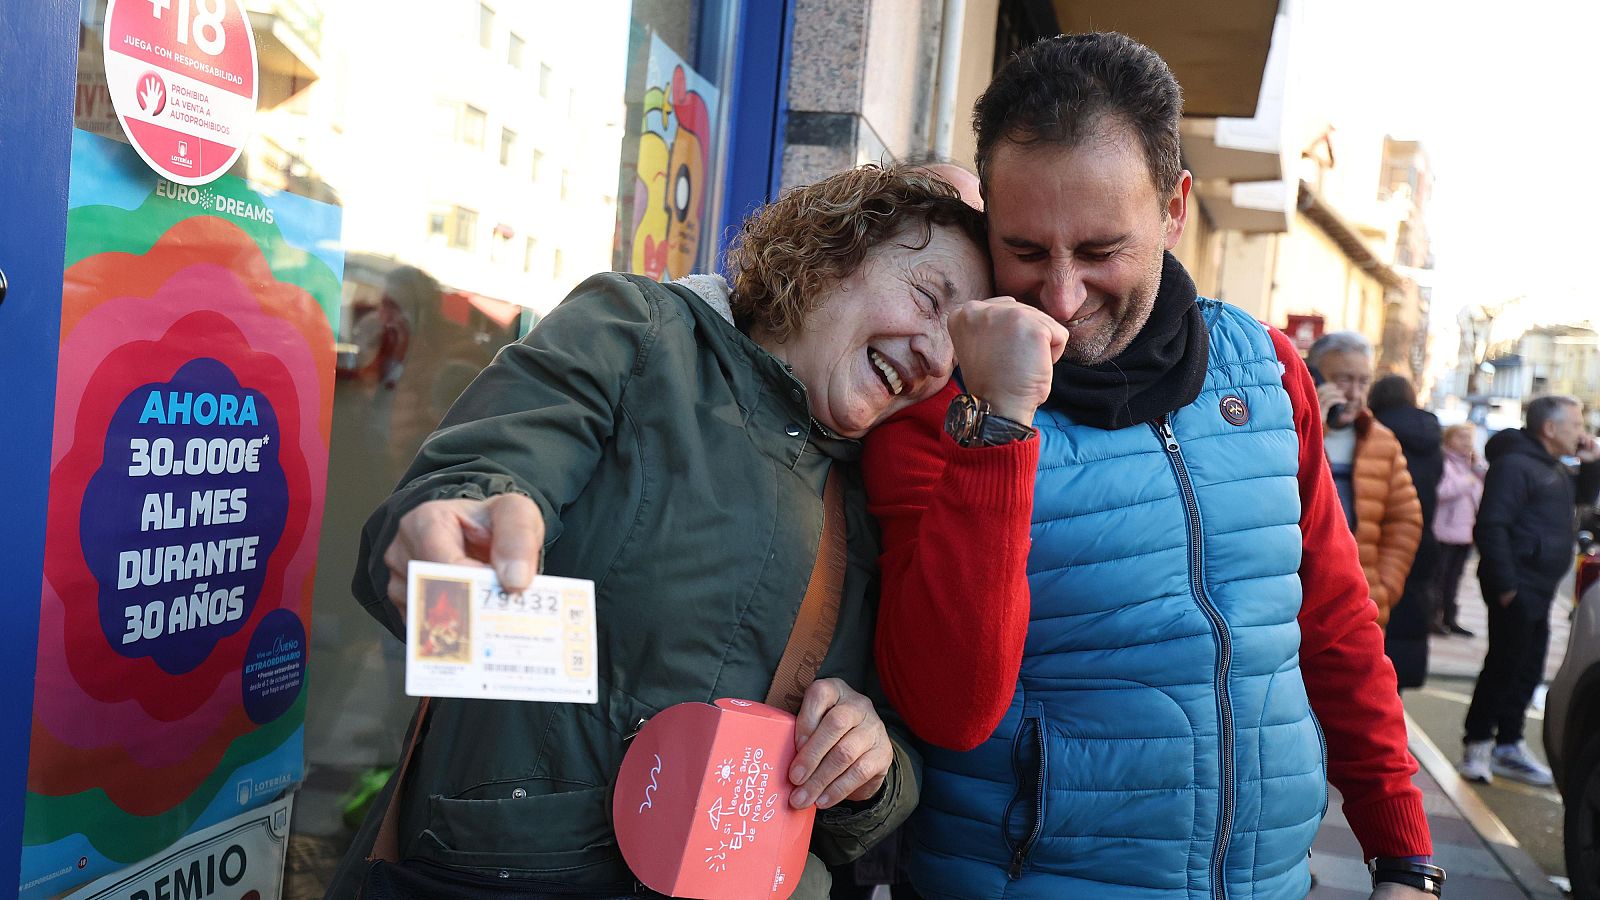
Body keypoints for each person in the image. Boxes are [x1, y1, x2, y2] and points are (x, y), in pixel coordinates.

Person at [861, 33, 1438, 900]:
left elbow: (1331, 618)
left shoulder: (1268, 371)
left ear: (1174, 209)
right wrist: (998, 426)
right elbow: (945, 705)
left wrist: (1403, 852)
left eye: (1099, 251)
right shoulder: (938, 407)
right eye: (1024, 249)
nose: (1060, 295)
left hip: (1270, 881)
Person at [325, 164, 993, 899]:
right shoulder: (638, 329)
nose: (936, 355)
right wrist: (460, 521)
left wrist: (869, 766)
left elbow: (893, 745)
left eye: (958, 352)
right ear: (835, 250)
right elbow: (494, 466)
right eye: (930, 299)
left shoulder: (879, 495)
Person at [1460, 395, 1600, 786]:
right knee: (1504, 665)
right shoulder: (1516, 465)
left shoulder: (1551, 466)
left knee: (1528, 666)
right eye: (1575, 423)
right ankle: (1478, 745)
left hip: (1538, 587)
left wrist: (1591, 466)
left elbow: (1582, 504)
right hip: (1517, 585)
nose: (1582, 431)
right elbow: (1492, 525)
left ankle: (1509, 744)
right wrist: (1506, 587)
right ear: (1549, 429)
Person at [1308, 334, 1423, 629]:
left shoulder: (1381, 441)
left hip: (1359, 609)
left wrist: (1384, 588)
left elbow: (1405, 520)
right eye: (1344, 379)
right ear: (1314, 376)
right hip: (1299, 602)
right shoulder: (1291, 432)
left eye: (1363, 381)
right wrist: (1313, 425)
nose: (1354, 393)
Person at [1367, 373, 1442, 688]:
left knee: (1380, 615)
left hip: (1378, 536)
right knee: (1411, 609)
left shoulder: (1374, 434)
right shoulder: (1432, 438)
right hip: (1423, 538)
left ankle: (1377, 680)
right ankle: (1398, 684)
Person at [1433, 423, 1483, 636]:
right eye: (1461, 437)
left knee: (1455, 578)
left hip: (1465, 532)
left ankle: (1450, 617)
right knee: (1439, 578)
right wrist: (1467, 481)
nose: (1466, 442)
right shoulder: (1443, 462)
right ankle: (1433, 617)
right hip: (1444, 531)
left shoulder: (1470, 466)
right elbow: (1441, 491)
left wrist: (1477, 470)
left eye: (1468, 438)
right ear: (1448, 439)